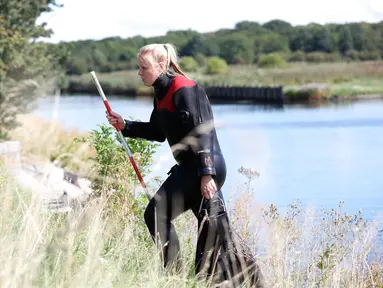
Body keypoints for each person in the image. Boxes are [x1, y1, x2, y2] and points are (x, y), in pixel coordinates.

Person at [106, 43, 265, 287]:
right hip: (192, 170)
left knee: (158, 216)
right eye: (139, 67)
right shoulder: (161, 93)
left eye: (143, 67)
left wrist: (206, 174)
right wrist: (125, 125)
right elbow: (158, 132)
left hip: (202, 169)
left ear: (161, 66)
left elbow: (204, 132)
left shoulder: (185, 88)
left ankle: (175, 278)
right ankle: (256, 282)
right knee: (218, 234)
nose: (139, 72)